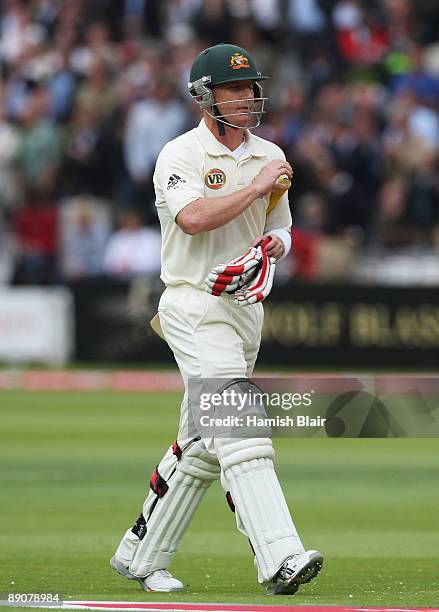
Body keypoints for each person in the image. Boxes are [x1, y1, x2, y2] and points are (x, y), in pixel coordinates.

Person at [110, 43, 323, 595]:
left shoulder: (270, 153)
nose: (247, 97)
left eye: (251, 87)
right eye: (234, 89)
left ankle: (141, 552)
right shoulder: (179, 156)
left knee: (203, 442)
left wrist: (273, 246)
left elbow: (281, 224)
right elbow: (194, 218)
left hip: (244, 307)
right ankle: (279, 557)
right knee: (238, 425)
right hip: (192, 303)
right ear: (205, 96)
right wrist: (253, 186)